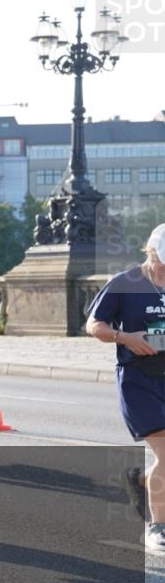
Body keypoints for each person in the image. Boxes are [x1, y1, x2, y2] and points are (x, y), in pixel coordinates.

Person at [86, 223, 165, 553]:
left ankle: (142, 479)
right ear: (150, 250)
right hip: (138, 381)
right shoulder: (126, 282)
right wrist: (124, 338)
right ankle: (157, 526)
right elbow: (94, 325)